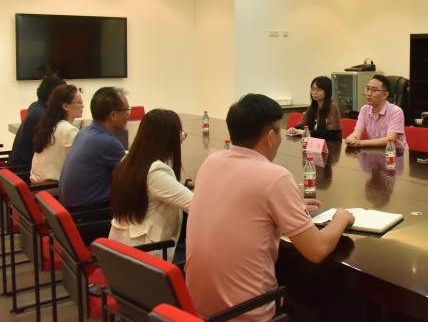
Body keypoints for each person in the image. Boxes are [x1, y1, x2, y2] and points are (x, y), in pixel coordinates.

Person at [186, 94, 354, 322]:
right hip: (249, 314)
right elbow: (317, 250)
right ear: (270, 137)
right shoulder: (275, 177)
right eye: (279, 132)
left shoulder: (211, 162)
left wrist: (285, 208)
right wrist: (341, 218)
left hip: (197, 310)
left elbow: (245, 206)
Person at [109, 109, 192, 255]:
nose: (181, 139)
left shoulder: (128, 160)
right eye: (181, 134)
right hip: (145, 254)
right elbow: (197, 206)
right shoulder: (155, 171)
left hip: (120, 250)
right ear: (168, 139)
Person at [59, 87, 130, 208]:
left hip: (70, 208)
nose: (128, 115)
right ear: (113, 115)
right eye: (127, 110)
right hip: (90, 213)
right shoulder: (107, 142)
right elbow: (136, 174)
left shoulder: (84, 132)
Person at [9, 76, 67, 169]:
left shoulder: (36, 106)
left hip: (18, 167)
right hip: (25, 171)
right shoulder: (43, 116)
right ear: (54, 97)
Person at [29, 84, 83, 183]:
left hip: (38, 186)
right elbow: (81, 165)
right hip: (52, 187)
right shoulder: (68, 131)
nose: (82, 106)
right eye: (80, 102)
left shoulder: (51, 125)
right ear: (65, 106)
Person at [344, 75, 407, 150]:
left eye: (374, 90)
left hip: (396, 153)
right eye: (368, 89)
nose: (368, 93)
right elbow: (357, 132)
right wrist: (351, 139)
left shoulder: (396, 111)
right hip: (375, 152)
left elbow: (390, 139)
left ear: (385, 95)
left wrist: (360, 143)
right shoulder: (364, 110)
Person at [287, 76, 342, 140]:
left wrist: (307, 132)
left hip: (330, 143)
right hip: (313, 142)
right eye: (313, 89)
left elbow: (332, 133)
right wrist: (295, 129)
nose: (315, 93)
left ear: (327, 91)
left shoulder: (332, 106)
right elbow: (302, 124)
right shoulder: (313, 106)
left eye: (319, 90)